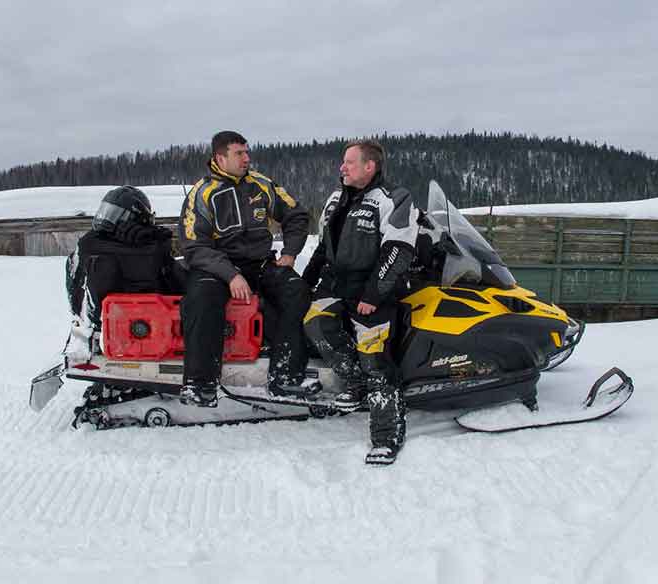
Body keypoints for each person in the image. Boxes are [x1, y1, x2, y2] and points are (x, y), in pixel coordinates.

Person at [302, 140, 419, 465]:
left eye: (349, 162)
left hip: (373, 290)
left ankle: (386, 435)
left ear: (370, 166)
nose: (342, 168)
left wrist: (373, 295)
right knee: (314, 322)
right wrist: (305, 283)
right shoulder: (336, 199)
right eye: (343, 162)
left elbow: (397, 250)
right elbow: (324, 248)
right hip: (336, 284)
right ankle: (353, 381)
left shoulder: (394, 199)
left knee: (376, 359)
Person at [178, 130, 314, 407]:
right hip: (215, 267)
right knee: (201, 299)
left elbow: (297, 215)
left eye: (247, 152)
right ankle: (199, 383)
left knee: (296, 290)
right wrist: (231, 274)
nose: (246, 158)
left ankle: (285, 377)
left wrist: (289, 253)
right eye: (239, 153)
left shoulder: (261, 184)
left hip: (261, 263)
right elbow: (193, 247)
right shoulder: (201, 194)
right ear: (220, 157)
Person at [65, 185, 185, 361]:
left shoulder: (89, 248)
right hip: (143, 331)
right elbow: (178, 285)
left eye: (113, 214)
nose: (107, 219)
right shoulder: (149, 252)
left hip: (116, 331)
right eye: (106, 212)